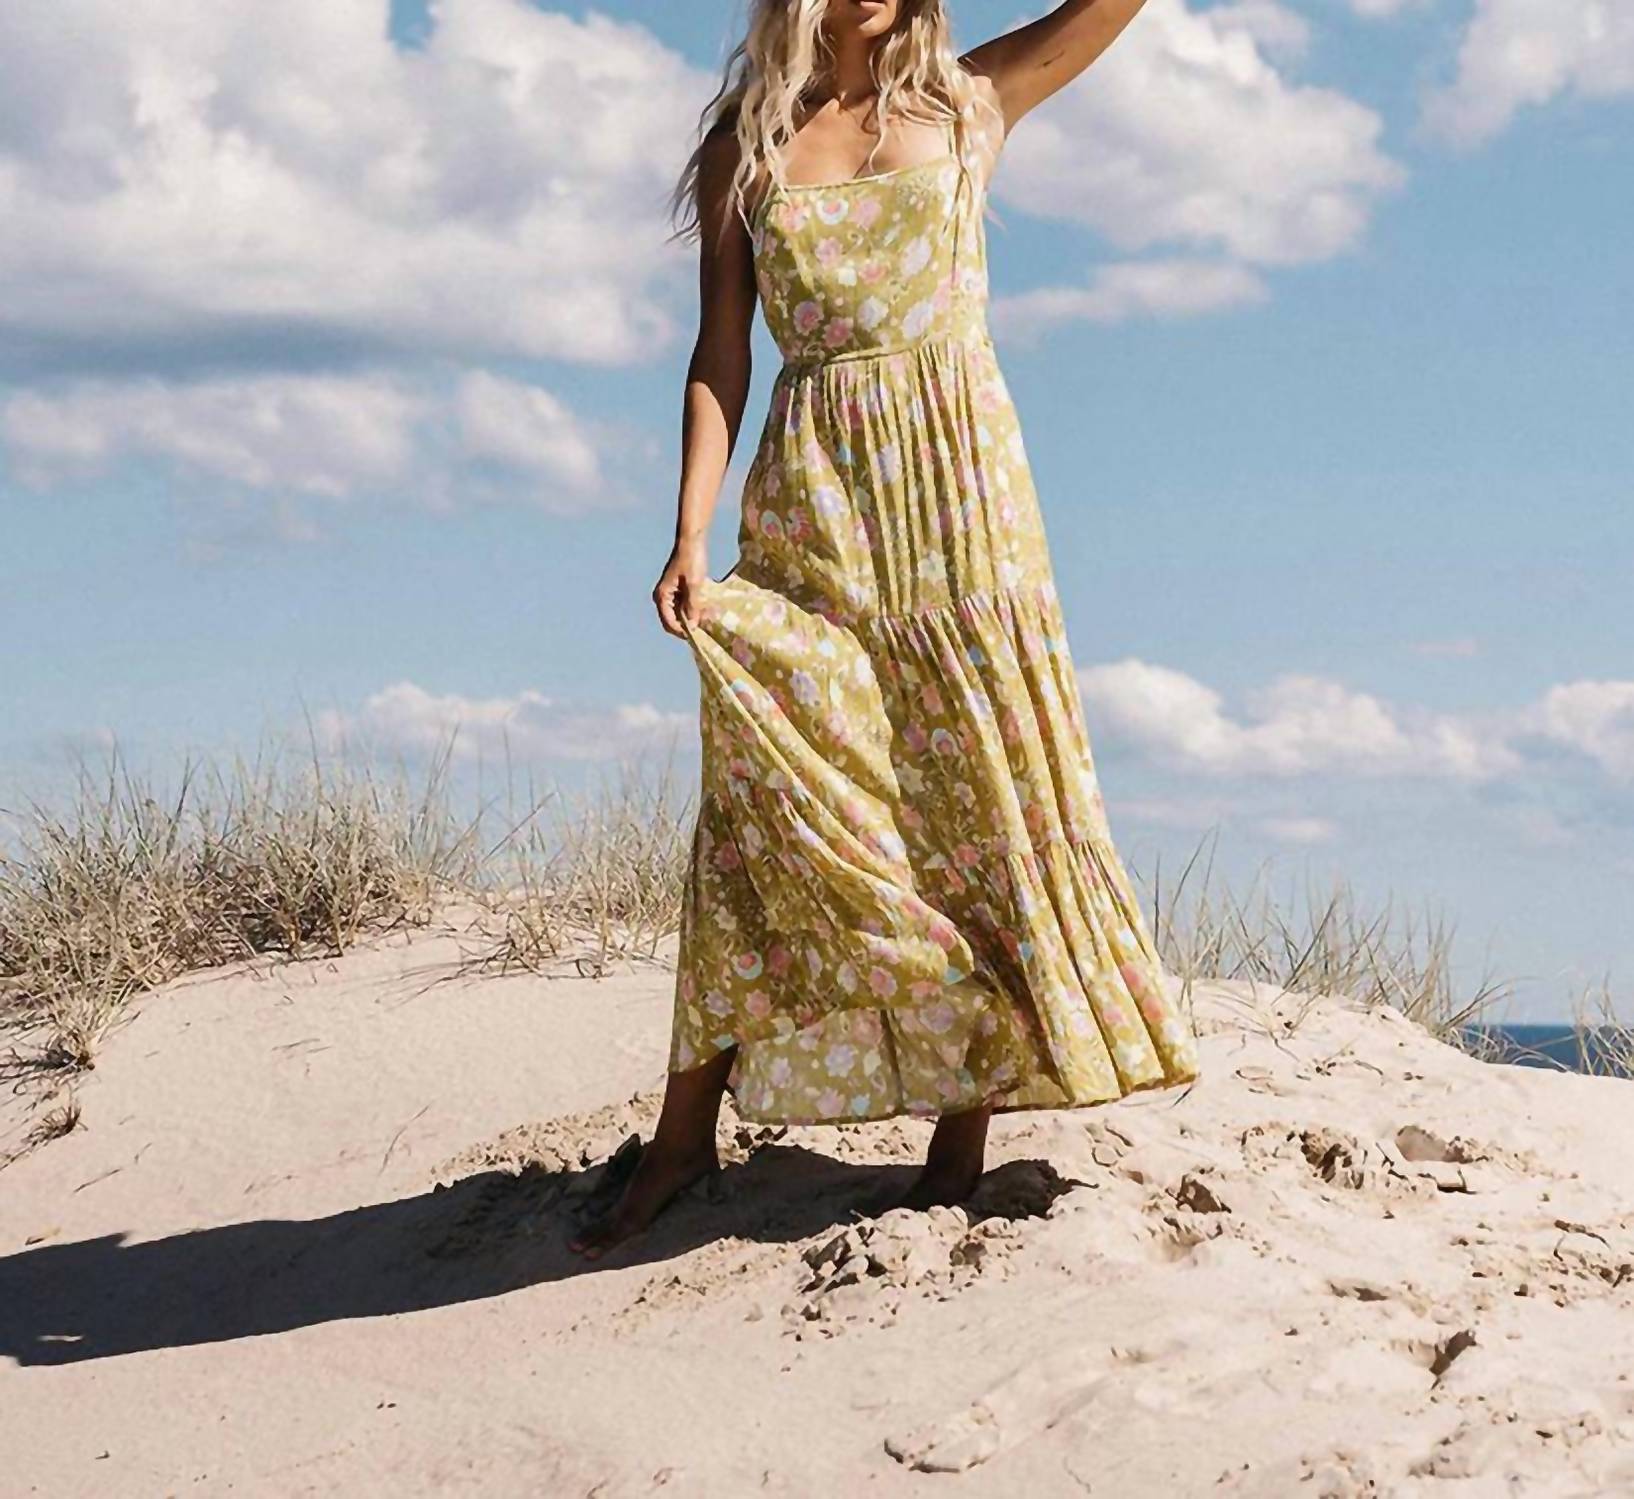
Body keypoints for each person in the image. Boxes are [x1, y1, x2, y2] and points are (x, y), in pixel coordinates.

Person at [571, 0, 1201, 1260]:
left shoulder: (971, 102)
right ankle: (683, 1135)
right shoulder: (745, 146)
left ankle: (957, 1149)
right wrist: (688, 531)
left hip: (960, 507)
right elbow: (720, 352)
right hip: (813, 500)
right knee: (758, 796)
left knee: (979, 796)